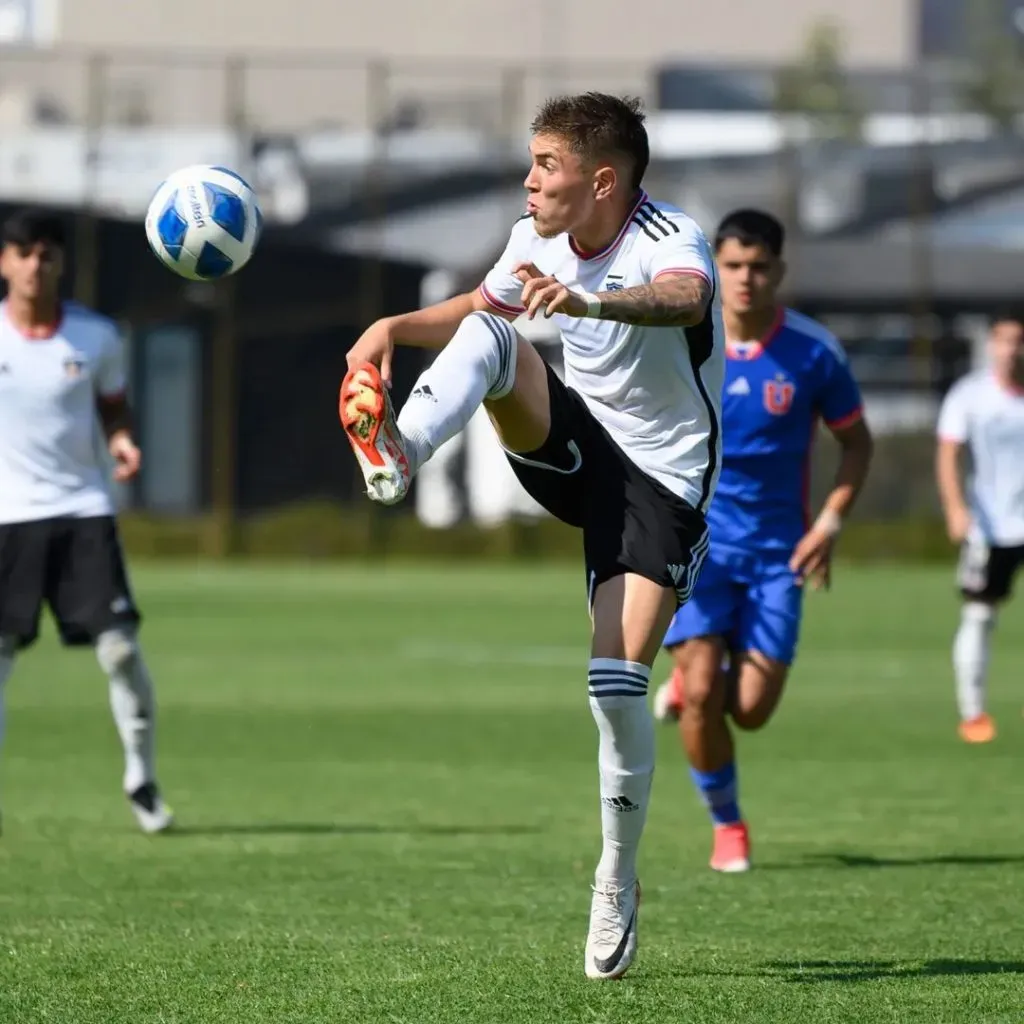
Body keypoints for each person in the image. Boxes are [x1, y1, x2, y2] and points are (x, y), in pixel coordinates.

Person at [338, 92, 724, 980]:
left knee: (616, 685)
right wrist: (390, 328)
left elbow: (680, 301)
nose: (528, 180)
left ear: (601, 180)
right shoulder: (533, 236)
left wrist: (591, 303)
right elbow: (483, 303)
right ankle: (400, 452)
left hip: (660, 486)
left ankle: (616, 876)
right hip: (575, 446)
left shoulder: (671, 238)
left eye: (544, 166)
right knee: (491, 331)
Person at [651, 209, 873, 873]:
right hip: (699, 546)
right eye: (733, 265)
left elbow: (857, 441)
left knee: (748, 711)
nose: (745, 278)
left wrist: (831, 520)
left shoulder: (812, 352)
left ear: (777, 270)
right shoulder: (685, 341)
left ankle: (703, 680)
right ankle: (729, 826)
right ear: (715, 269)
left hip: (779, 555)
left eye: (758, 266)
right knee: (700, 690)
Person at [0, 208, 172, 834]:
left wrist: (122, 442)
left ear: (60, 262)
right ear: (5, 262)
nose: (34, 263)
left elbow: (115, 411)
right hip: (7, 519)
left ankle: (142, 779)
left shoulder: (96, 337)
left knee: (121, 650)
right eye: (22, 252)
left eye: (46, 253)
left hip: (81, 512)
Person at [935, 310, 1024, 743]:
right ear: (992, 345)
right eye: (1005, 340)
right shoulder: (970, 395)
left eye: (1019, 341)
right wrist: (956, 509)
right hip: (990, 528)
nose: (1012, 350)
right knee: (980, 615)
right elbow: (949, 453)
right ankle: (973, 713)